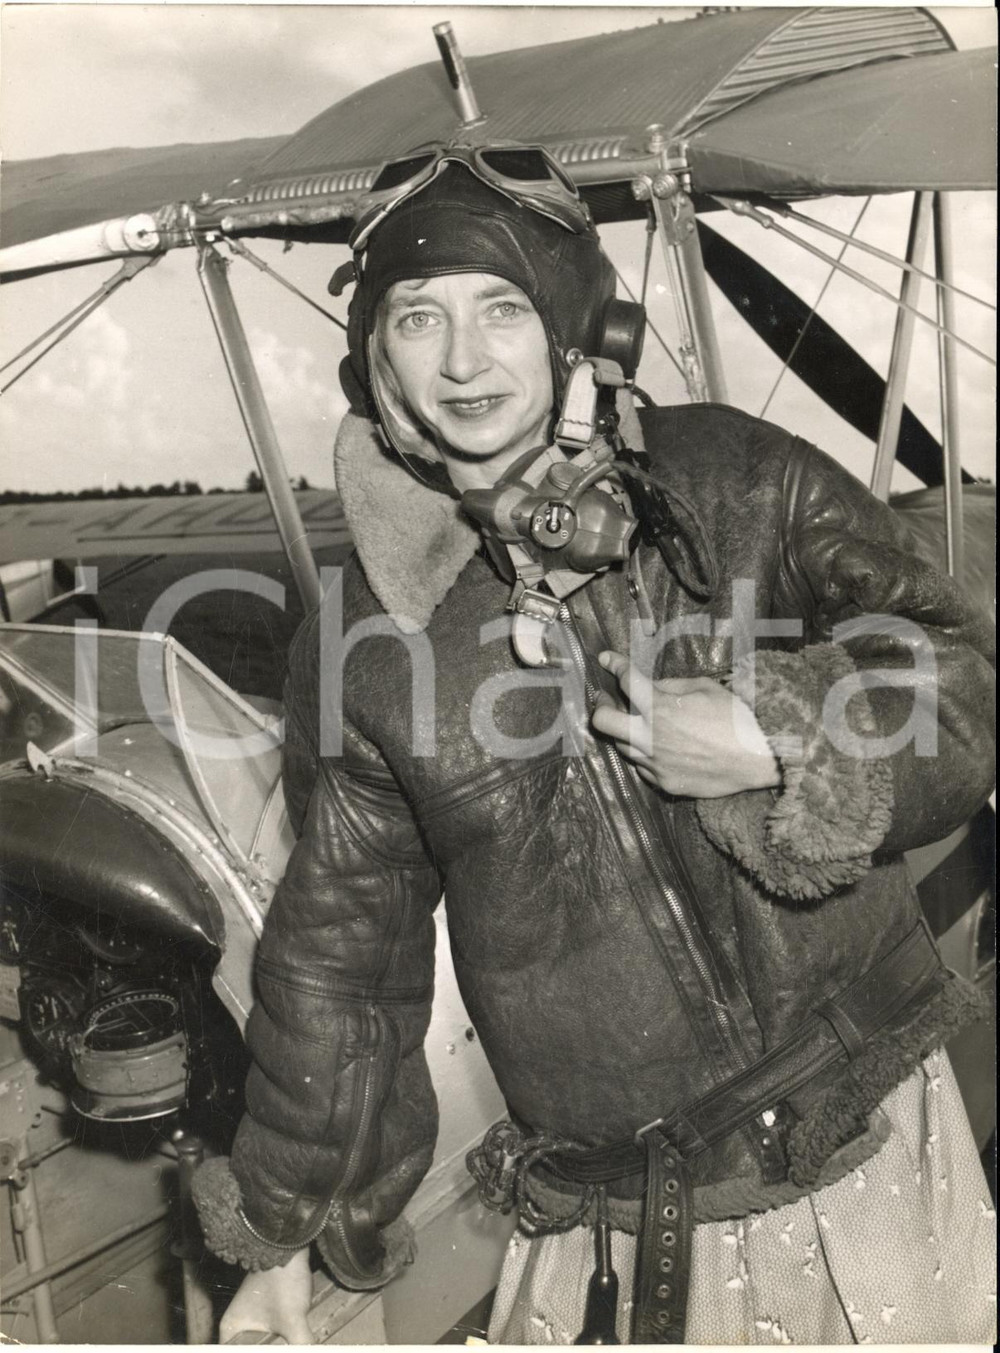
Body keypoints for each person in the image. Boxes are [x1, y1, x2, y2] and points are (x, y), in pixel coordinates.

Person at [192, 146, 996, 1345]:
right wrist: (286, 1237)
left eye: (502, 308)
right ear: (375, 360)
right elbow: (341, 971)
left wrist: (789, 737)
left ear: (582, 330)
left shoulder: (735, 478)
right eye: (419, 316)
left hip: (872, 1124)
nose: (463, 361)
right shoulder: (357, 654)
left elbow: (964, 671)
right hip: (623, 1207)